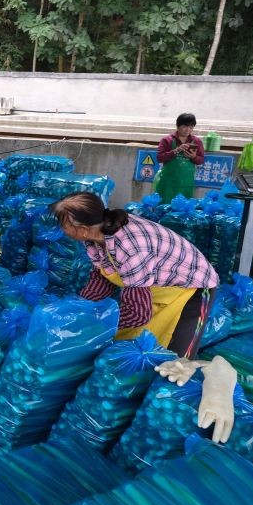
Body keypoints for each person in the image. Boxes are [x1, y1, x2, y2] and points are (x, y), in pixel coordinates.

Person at [51, 192, 218, 358]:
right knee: (143, 350)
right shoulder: (95, 238)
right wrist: (80, 309)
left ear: (82, 229)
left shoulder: (130, 246)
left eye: (62, 224)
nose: (61, 229)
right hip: (157, 289)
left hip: (194, 287)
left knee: (176, 359)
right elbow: (102, 278)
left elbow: (138, 314)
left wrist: (95, 324)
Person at [156, 113, 204, 204]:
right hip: (168, 182)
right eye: (185, 126)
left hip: (186, 182)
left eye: (191, 127)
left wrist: (194, 157)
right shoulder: (167, 140)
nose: (188, 130)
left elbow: (200, 160)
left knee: (183, 208)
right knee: (164, 206)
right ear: (178, 126)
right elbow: (159, 158)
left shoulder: (196, 141)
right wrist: (176, 150)